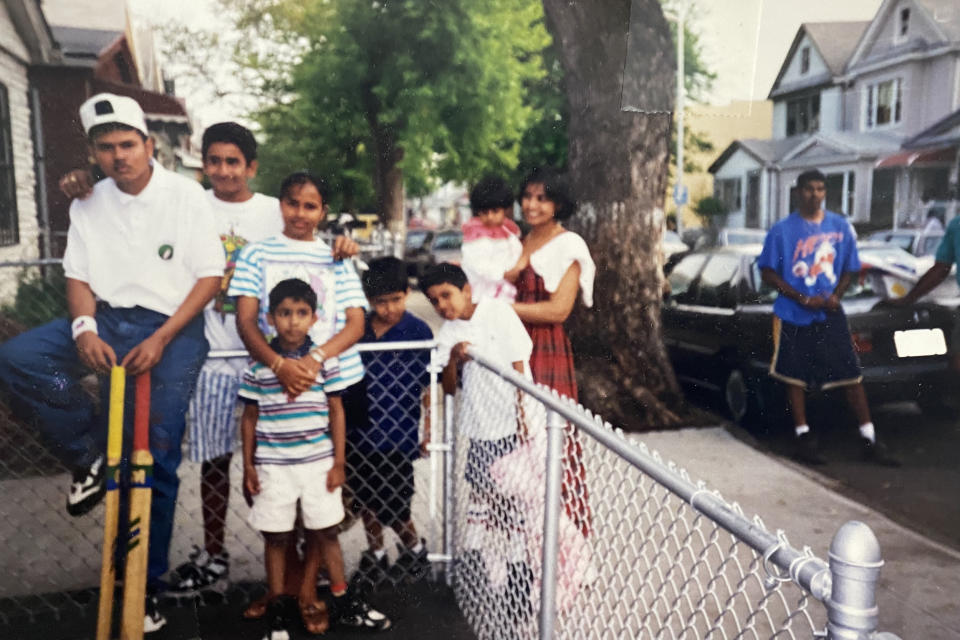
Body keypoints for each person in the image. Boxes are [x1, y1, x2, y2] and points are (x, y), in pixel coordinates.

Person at [58, 123, 360, 597]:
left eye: (233, 161)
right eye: (213, 161)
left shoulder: (272, 212)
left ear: (251, 167)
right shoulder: (187, 199)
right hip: (216, 354)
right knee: (215, 461)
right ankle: (215, 554)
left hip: (276, 360)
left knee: (287, 462)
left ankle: (294, 561)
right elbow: (131, 192)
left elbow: (316, 239)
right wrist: (84, 180)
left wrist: (344, 245)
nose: (222, 171)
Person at [0, 93, 225, 631]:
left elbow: (209, 277)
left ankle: (147, 587)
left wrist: (165, 338)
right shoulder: (87, 202)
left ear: (150, 145)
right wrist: (83, 329)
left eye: (129, 144)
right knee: (22, 358)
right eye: (107, 148)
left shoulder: (186, 196)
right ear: (93, 153)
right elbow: (77, 277)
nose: (120, 155)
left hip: (174, 330)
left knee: (156, 456)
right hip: (107, 320)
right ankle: (88, 453)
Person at [228, 172, 389, 630]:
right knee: (283, 504)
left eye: (311, 206)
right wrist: (280, 365)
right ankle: (286, 594)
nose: (301, 213)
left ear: (323, 211)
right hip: (277, 379)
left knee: (323, 498)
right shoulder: (256, 253)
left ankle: (309, 593)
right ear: (281, 205)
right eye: (293, 203)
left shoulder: (335, 255)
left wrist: (314, 360)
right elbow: (246, 320)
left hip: (333, 380)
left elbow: (355, 323)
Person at [758, 168, 897, 466]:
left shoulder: (839, 226)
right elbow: (768, 272)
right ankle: (803, 436)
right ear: (798, 192)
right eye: (809, 189)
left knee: (850, 374)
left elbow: (849, 269)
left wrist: (837, 295)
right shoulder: (782, 230)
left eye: (821, 189)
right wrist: (800, 297)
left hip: (829, 312)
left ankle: (869, 438)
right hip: (793, 313)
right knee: (793, 376)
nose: (815, 195)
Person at [420, 263, 533, 604]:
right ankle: (475, 564)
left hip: (513, 419)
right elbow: (450, 389)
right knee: (483, 493)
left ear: (466, 290)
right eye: (434, 300)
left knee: (512, 496)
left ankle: (518, 568)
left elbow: (519, 362)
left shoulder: (496, 311)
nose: (442, 305)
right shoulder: (448, 333)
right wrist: (455, 359)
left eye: (446, 295)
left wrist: (523, 413)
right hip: (481, 424)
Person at [511, 167, 595, 536]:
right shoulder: (516, 239)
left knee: (548, 441)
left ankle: (565, 545)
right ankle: (520, 541)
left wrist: (499, 310)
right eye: (528, 196)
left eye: (542, 198)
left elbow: (558, 310)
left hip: (544, 349)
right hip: (509, 344)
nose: (532, 205)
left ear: (558, 203)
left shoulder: (570, 245)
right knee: (512, 441)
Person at [347, 256, 433, 589]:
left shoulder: (417, 330)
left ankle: (414, 549)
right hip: (361, 430)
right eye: (380, 302)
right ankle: (376, 552)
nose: (388, 309)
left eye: (395, 300)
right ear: (368, 301)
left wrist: (427, 429)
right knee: (366, 499)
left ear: (406, 293)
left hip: (398, 434)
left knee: (397, 504)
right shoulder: (359, 329)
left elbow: (428, 386)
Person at [461, 175, 524, 302]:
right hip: (484, 292)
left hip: (509, 290)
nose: (490, 217)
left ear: (504, 210)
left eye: (495, 211)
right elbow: (477, 265)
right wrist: (503, 274)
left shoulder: (509, 231)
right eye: (485, 212)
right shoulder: (475, 236)